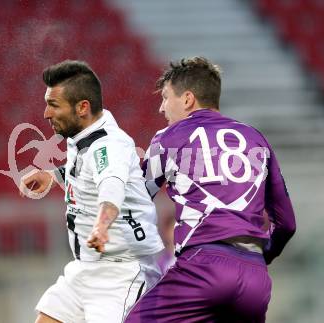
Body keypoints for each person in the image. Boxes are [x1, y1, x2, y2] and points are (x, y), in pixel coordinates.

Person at [124, 57, 296, 323]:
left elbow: (133, 196)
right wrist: (261, 256)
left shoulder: (168, 137)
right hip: (255, 278)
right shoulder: (256, 138)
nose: (161, 107)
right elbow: (287, 224)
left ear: (188, 99)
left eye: (166, 97)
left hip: (203, 268)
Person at [20, 60, 164, 323]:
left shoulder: (109, 144)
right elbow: (90, 173)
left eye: (53, 105)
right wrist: (54, 176)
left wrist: (101, 226)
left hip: (119, 274)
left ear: (82, 107)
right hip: (86, 268)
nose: (45, 114)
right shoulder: (85, 136)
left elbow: (111, 186)